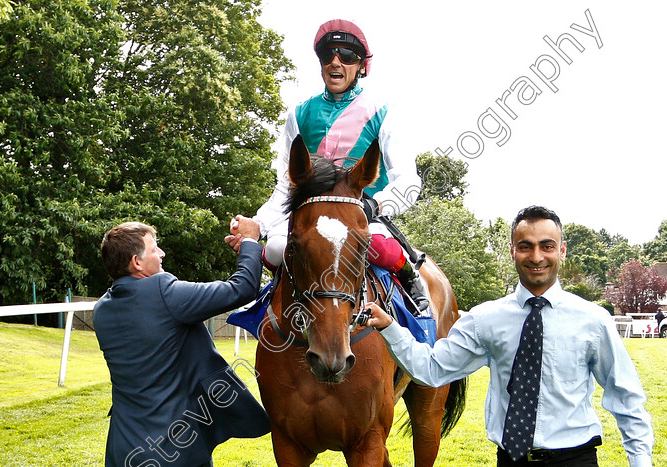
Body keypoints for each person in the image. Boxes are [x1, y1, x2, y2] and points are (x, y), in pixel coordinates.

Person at [365, 206, 654, 466]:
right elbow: (430, 369)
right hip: (511, 460)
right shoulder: (485, 319)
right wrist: (390, 326)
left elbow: (626, 397)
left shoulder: (593, 320)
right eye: (526, 246)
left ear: (562, 250)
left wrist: (640, 461)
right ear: (513, 250)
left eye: (547, 246)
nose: (537, 257)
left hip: (575, 459)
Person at [253, 19, 430, 310]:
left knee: (381, 249)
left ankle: (413, 284)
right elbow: (286, 185)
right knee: (273, 249)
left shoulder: (382, 111)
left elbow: (408, 180)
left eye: (347, 55)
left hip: (363, 215)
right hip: (310, 216)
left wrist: (375, 206)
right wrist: (258, 224)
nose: (336, 62)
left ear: (361, 66)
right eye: (328, 54)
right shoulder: (298, 114)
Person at [93, 216, 270, 467]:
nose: (162, 253)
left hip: (123, 448)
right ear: (137, 262)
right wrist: (251, 241)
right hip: (175, 448)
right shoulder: (163, 292)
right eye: (154, 249)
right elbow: (241, 288)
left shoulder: (102, 309)